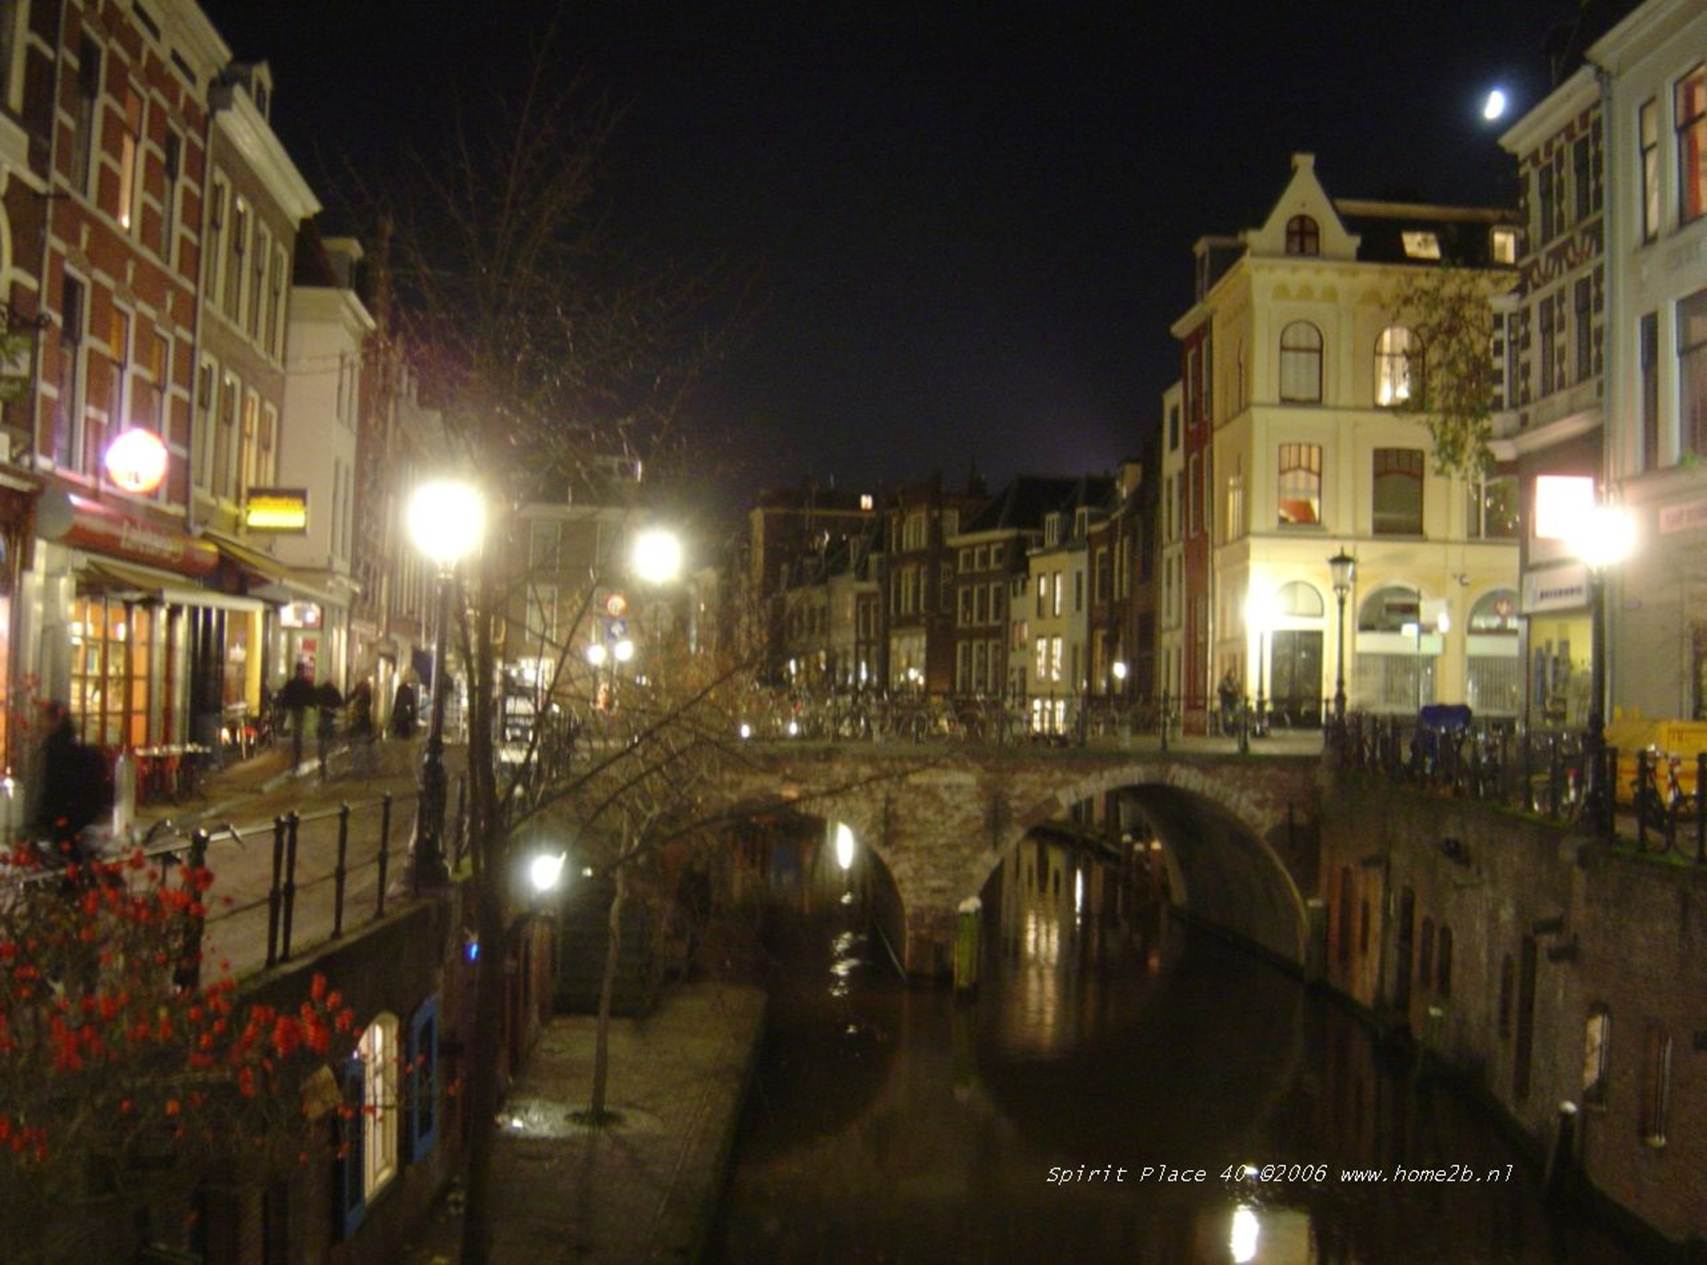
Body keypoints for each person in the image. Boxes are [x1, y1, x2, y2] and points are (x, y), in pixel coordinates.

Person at [32, 701, 107, 864]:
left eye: (44, 719)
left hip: (67, 808)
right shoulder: (65, 742)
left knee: (65, 847)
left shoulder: (56, 747)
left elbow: (55, 783)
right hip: (76, 806)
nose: (41, 724)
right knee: (67, 846)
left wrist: (45, 813)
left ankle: (76, 879)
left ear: (55, 721)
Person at [278, 662, 316, 772]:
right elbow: (310, 695)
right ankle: (296, 757)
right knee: (297, 733)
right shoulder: (304, 683)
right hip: (298, 709)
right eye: (302, 670)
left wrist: (284, 705)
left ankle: (296, 757)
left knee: (296, 732)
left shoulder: (295, 683)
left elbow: (286, 695)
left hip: (296, 709)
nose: (301, 672)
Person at [314, 680, 344, 781]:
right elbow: (340, 703)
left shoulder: (320, 691)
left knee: (322, 738)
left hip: (322, 717)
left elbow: (314, 700)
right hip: (330, 718)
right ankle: (326, 755)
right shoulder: (334, 691)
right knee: (328, 738)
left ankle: (322, 756)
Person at [348, 678, 377, 778]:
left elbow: (351, 700)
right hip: (362, 726)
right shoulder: (363, 696)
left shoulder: (364, 698)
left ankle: (360, 769)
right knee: (362, 747)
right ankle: (363, 768)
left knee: (360, 748)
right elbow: (349, 699)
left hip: (361, 726)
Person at [391, 673, 419, 740]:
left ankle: (398, 740)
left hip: (400, 712)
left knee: (399, 731)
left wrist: (394, 713)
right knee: (405, 732)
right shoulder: (409, 690)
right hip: (405, 713)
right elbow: (411, 704)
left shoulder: (400, 689)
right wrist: (412, 715)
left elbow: (397, 702)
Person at [1217, 669, 1240, 737]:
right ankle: (1227, 732)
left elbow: (1239, 690)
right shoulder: (1223, 681)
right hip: (1226, 702)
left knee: (1234, 717)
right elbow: (1219, 689)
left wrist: (1234, 690)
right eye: (1230, 674)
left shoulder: (1236, 682)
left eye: (1232, 674)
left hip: (1234, 702)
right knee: (1226, 718)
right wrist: (1226, 690)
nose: (1231, 675)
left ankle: (1233, 732)